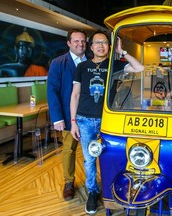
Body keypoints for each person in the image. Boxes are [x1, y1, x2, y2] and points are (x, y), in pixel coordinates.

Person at [70, 31, 145, 214]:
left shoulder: (115, 65)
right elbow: (75, 94)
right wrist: (73, 122)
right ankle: (93, 193)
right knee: (89, 160)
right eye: (97, 42)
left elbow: (140, 68)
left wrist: (122, 51)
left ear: (109, 46)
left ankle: (115, 190)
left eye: (104, 42)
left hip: (108, 119)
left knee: (112, 157)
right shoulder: (82, 67)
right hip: (84, 119)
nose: (101, 46)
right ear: (91, 46)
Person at [47, 29, 87, 201]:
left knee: (92, 151)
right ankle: (69, 182)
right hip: (67, 115)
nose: (80, 44)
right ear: (69, 43)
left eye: (83, 41)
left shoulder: (92, 61)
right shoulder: (58, 63)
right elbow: (52, 91)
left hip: (89, 115)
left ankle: (92, 181)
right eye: (76, 41)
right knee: (69, 150)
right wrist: (57, 118)